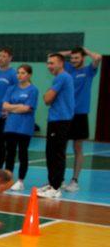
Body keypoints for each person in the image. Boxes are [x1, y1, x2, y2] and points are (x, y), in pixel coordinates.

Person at [60, 46, 102, 192]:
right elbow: (53, 56)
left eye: (77, 58)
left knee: (77, 147)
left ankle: (74, 181)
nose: (73, 60)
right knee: (61, 148)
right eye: (72, 58)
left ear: (83, 58)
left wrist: (85, 50)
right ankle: (59, 179)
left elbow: (97, 58)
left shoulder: (89, 71)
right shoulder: (67, 69)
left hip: (80, 114)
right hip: (65, 113)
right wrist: (69, 52)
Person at [39, 54, 75, 200]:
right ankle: (52, 184)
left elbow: (47, 99)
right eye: (48, 63)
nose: (49, 66)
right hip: (57, 120)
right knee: (51, 153)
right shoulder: (61, 78)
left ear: (61, 63)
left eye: (52, 63)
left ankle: (55, 188)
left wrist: (47, 94)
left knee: (56, 154)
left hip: (60, 121)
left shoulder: (62, 77)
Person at [1, 64, 39, 191]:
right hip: (10, 126)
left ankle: (21, 181)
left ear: (29, 75)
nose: (19, 75)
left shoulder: (33, 90)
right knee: (10, 154)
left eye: (23, 73)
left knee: (23, 154)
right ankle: (8, 179)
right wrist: (18, 107)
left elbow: (27, 108)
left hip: (25, 127)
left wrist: (13, 108)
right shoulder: (11, 88)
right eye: (18, 73)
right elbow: (5, 105)